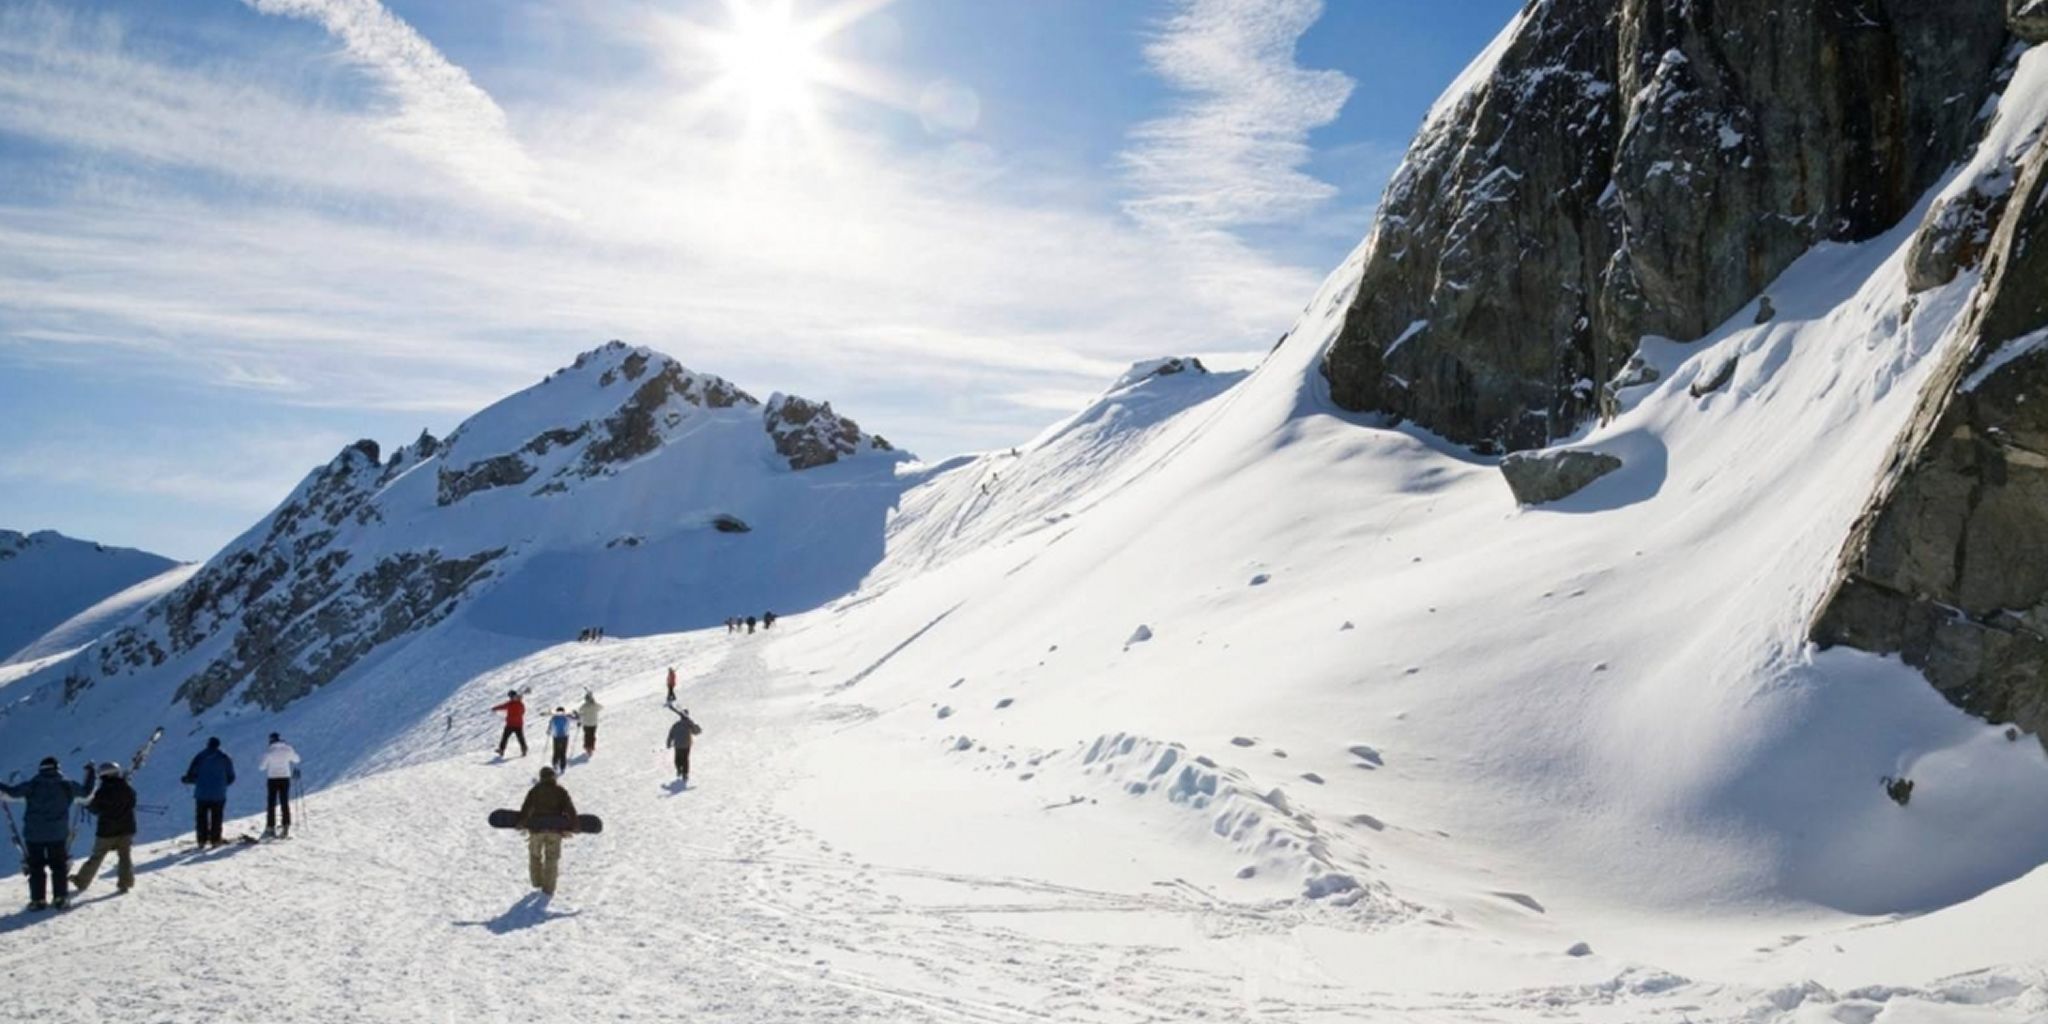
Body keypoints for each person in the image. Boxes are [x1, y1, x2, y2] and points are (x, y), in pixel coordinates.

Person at [0, 756, 93, 910]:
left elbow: (12, 793)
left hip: (34, 834)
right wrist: (91, 774)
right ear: (57, 768)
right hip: (57, 834)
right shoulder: (67, 785)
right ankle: (60, 898)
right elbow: (86, 794)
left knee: (36, 868)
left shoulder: (33, 784)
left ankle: (38, 900)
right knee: (59, 867)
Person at [72, 762, 137, 895]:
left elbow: (96, 809)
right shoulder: (127, 788)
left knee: (97, 856)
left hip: (107, 831)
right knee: (125, 856)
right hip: (127, 828)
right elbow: (133, 802)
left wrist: (86, 804)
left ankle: (82, 881)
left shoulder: (103, 791)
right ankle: (125, 883)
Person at [515, 766, 579, 896]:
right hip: (555, 830)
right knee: (552, 858)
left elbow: (526, 809)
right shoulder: (560, 791)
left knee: (534, 855)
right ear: (553, 777)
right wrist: (575, 825)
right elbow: (569, 809)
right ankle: (549, 888)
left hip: (536, 830)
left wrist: (521, 823)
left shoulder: (535, 791)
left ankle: (537, 881)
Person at [180, 737, 236, 849]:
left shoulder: (200, 756)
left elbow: (191, 774)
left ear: (208, 744)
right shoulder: (225, 758)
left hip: (202, 793)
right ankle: (215, 840)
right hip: (219, 794)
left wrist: (188, 780)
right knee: (217, 817)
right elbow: (231, 776)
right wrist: (222, 785)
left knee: (201, 818)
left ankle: (202, 841)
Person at [258, 733, 302, 839]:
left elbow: (261, 767)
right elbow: (297, 759)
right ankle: (286, 824)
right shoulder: (287, 749)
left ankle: (270, 826)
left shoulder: (269, 751)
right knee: (284, 801)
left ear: (271, 740)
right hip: (285, 778)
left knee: (271, 803)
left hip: (272, 779)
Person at [666, 708, 703, 784]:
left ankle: (679, 769)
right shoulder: (689, 724)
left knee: (677, 758)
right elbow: (697, 731)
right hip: (686, 744)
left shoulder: (676, 724)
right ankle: (685, 773)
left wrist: (669, 743)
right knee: (685, 759)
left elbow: (671, 734)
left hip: (678, 745)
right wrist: (695, 725)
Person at [490, 690, 528, 758]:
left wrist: (494, 708)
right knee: (506, 737)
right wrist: (495, 708)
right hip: (514, 724)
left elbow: (522, 711)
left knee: (518, 738)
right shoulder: (519, 703)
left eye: (512, 696)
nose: (512, 697)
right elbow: (522, 712)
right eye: (511, 697)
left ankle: (523, 749)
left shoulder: (514, 703)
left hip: (514, 724)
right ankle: (502, 750)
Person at [573, 691, 603, 756]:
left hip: (586, 723)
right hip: (593, 723)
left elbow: (580, 711)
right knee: (592, 735)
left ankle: (587, 747)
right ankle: (591, 747)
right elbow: (601, 707)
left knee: (587, 735)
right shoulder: (594, 705)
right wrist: (594, 702)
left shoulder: (584, 706)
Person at [547, 707, 573, 773]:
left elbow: (550, 726)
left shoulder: (554, 718)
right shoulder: (566, 717)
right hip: (565, 737)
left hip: (556, 737)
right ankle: (562, 767)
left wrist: (549, 731)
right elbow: (575, 720)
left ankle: (555, 764)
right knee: (563, 752)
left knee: (556, 751)